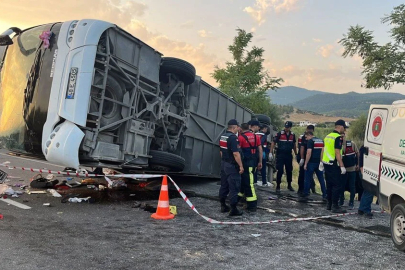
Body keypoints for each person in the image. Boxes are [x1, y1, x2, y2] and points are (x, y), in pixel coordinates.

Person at [219, 119, 244, 216]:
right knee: (234, 186)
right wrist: (241, 166)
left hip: (224, 163)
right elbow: (236, 153)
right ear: (234, 127)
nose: (239, 128)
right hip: (232, 166)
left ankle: (223, 205)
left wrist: (224, 161)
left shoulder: (223, 136)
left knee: (224, 185)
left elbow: (221, 151)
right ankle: (233, 209)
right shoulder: (233, 138)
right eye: (238, 127)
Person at [322, 119, 347, 213]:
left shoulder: (328, 136)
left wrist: (321, 162)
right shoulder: (338, 137)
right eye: (344, 128)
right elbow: (337, 152)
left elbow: (323, 149)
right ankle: (335, 206)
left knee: (329, 184)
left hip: (326, 163)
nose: (344, 130)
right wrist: (342, 166)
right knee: (337, 185)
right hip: (334, 164)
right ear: (340, 127)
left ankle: (329, 204)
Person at [238, 121, 263, 212]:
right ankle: (238, 198)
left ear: (241, 128)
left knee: (249, 183)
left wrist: (239, 164)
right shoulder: (256, 137)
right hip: (254, 162)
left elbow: (237, 152)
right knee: (245, 181)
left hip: (246, 163)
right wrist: (260, 162)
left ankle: (252, 205)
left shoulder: (240, 138)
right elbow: (260, 150)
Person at [270, 121, 297, 194]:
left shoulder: (292, 135)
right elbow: (273, 142)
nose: (286, 128)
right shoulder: (279, 134)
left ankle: (289, 185)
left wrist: (296, 154)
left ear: (290, 127)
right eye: (285, 127)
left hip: (288, 154)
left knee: (289, 170)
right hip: (280, 154)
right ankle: (278, 185)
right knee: (280, 170)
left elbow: (294, 145)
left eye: (287, 127)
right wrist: (270, 152)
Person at [299, 131, 327, 202]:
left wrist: (305, 163)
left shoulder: (310, 141)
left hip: (311, 162)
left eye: (306, 137)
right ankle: (325, 195)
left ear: (309, 135)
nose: (306, 139)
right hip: (319, 163)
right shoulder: (321, 141)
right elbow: (323, 151)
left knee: (307, 179)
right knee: (321, 180)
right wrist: (321, 161)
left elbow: (309, 153)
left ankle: (306, 194)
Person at [339, 133, 359, 209]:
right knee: (341, 185)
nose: (342, 137)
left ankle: (351, 202)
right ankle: (341, 200)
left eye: (342, 136)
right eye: (340, 136)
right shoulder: (338, 145)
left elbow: (357, 153)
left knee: (352, 186)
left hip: (352, 168)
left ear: (345, 136)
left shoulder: (352, 143)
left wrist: (358, 164)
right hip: (342, 169)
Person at [297, 125, 316, 195]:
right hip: (303, 157)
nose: (309, 131)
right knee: (302, 173)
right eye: (308, 130)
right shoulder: (303, 137)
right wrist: (302, 158)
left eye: (310, 130)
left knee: (309, 175)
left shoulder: (313, 138)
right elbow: (301, 148)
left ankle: (310, 189)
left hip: (310, 158)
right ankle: (300, 189)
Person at [358, 145, 374, 218]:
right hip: (365, 171)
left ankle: (361, 209)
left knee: (366, 191)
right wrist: (362, 171)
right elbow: (361, 160)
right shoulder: (365, 148)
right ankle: (366, 210)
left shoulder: (363, 147)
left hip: (365, 171)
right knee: (369, 191)